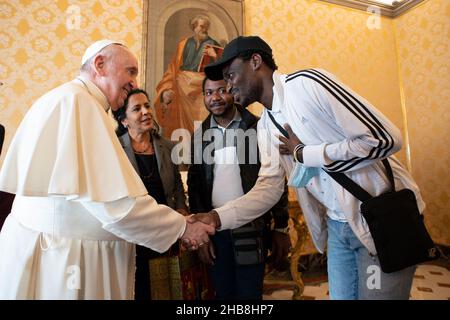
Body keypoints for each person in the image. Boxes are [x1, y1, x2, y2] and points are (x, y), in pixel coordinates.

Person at [194, 36, 426, 300]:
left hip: (382, 218)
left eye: (232, 75)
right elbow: (268, 188)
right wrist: (216, 217)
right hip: (338, 227)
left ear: (256, 62)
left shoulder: (307, 84)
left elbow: (385, 138)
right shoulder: (266, 126)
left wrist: (303, 153)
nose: (228, 84)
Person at [0, 40, 214, 299]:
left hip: (55, 248)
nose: (134, 83)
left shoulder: (72, 98)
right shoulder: (79, 104)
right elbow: (117, 207)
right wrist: (182, 227)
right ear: (99, 65)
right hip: (65, 256)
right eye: (130, 71)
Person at [187, 77, 290, 299]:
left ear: (232, 91)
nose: (215, 97)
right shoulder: (199, 136)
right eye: (208, 92)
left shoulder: (258, 126)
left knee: (250, 294)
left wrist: (281, 227)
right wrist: (200, 235)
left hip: (251, 226)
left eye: (221, 90)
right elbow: (195, 188)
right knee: (223, 293)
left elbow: (276, 181)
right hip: (215, 231)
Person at [113, 88, 189, 300]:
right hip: (133, 236)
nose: (146, 111)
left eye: (147, 106)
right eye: (137, 109)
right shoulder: (115, 150)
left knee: (166, 291)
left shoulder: (167, 146)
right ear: (124, 120)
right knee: (138, 290)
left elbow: (176, 186)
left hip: (165, 232)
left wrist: (181, 209)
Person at [153, 14, 221, 138]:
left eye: (205, 27)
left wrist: (214, 56)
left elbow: (221, 71)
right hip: (182, 84)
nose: (203, 29)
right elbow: (173, 68)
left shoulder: (213, 44)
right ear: (194, 27)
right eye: (200, 26)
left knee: (202, 126)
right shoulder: (183, 44)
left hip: (202, 86)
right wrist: (165, 90)